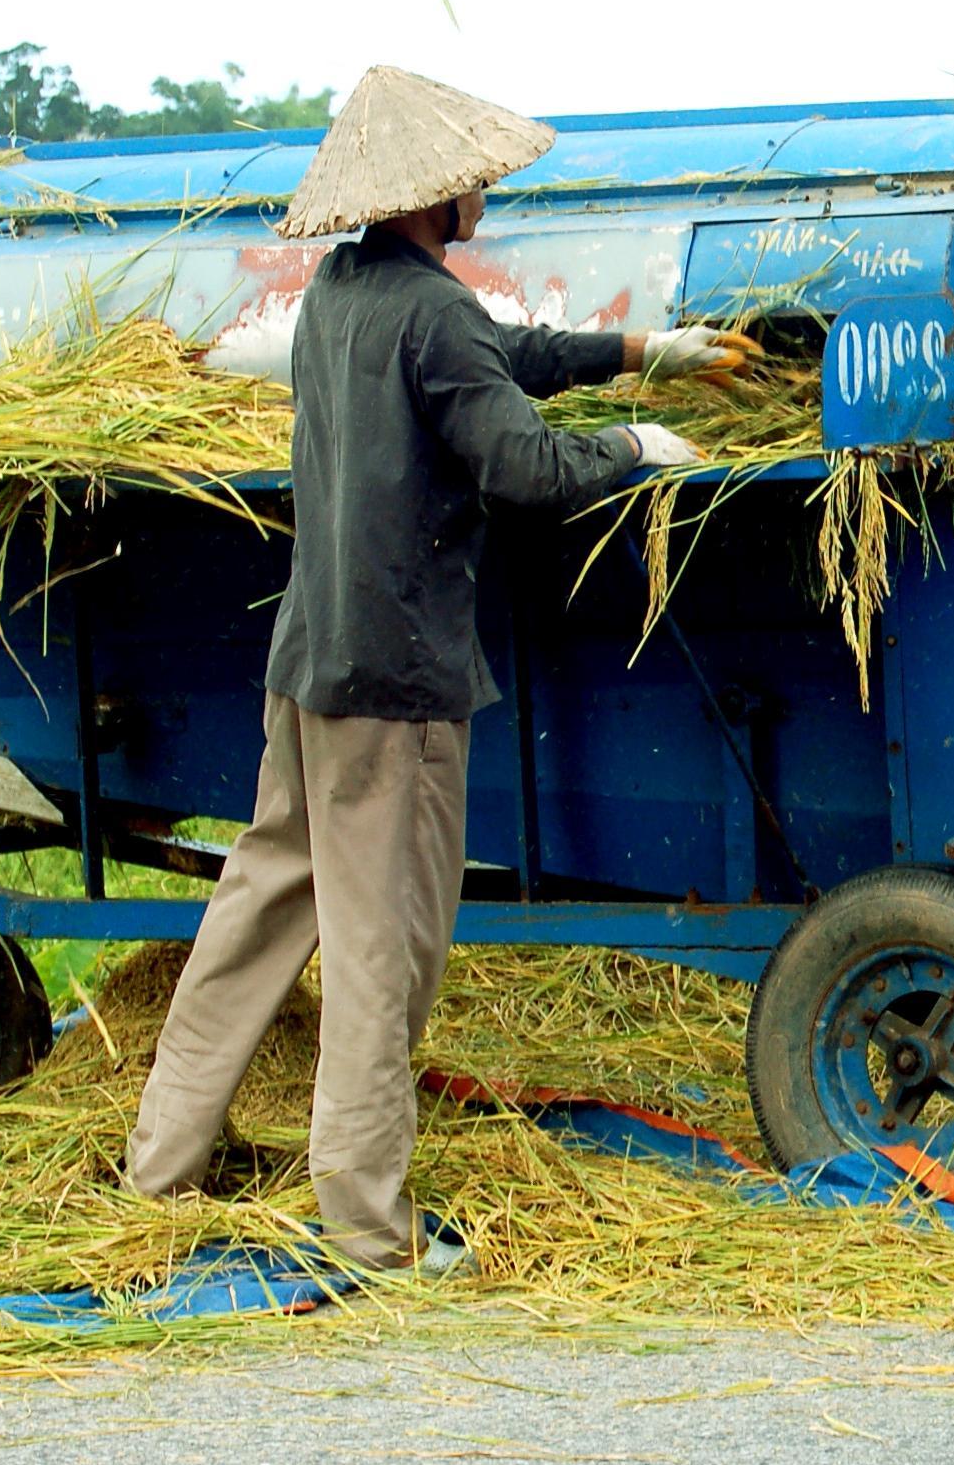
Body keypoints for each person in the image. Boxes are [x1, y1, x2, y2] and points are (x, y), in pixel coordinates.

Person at [126, 67, 753, 1273]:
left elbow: (495, 355)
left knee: (260, 906)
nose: (485, 195)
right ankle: (369, 1226)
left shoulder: (342, 295)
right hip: (395, 681)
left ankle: (164, 1164)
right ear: (434, 195)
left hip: (308, 659)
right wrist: (633, 445)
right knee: (385, 941)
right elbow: (519, 466)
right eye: (473, 181)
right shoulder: (430, 311)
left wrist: (640, 353)